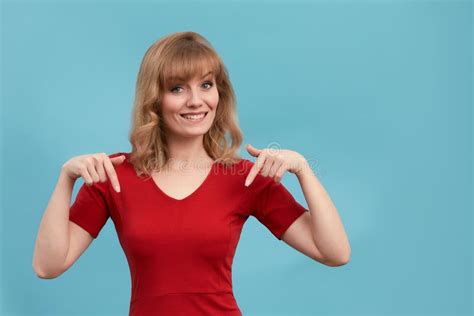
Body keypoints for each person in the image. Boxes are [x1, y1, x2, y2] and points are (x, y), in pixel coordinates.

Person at [32, 31, 350, 315]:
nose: (196, 101)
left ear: (219, 94)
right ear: (154, 99)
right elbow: (48, 266)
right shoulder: (114, 175)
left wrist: (304, 171)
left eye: (206, 85)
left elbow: (334, 252)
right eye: (178, 88)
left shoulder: (244, 177)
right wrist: (66, 179)